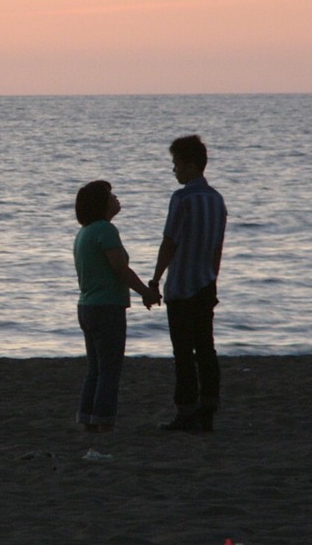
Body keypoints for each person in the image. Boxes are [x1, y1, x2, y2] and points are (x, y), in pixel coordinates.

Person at [148, 135, 227, 433]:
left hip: (182, 285)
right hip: (206, 283)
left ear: (191, 165)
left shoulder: (181, 199)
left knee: (183, 352)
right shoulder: (217, 200)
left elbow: (169, 242)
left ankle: (186, 410)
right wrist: (213, 277)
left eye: (177, 164)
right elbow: (217, 247)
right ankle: (208, 408)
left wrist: (155, 279)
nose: (174, 170)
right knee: (206, 348)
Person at [73, 180, 160, 434]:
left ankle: (88, 417)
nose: (116, 198)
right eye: (111, 195)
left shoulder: (84, 232)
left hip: (87, 306)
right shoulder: (105, 230)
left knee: (95, 369)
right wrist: (146, 292)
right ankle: (103, 419)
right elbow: (121, 269)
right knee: (109, 370)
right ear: (101, 203)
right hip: (106, 307)